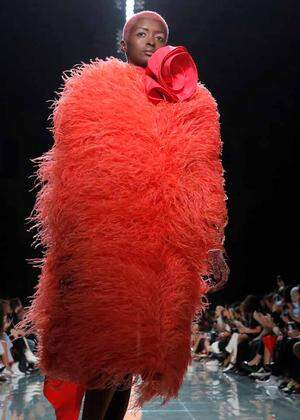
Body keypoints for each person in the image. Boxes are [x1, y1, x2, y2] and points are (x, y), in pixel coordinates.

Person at [21, 10, 229, 420]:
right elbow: (72, 175)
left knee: (130, 361)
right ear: (124, 42)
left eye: (159, 35)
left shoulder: (193, 102)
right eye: (141, 33)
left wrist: (214, 244)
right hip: (106, 244)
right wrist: (70, 245)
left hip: (160, 251)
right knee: (106, 357)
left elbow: (205, 176)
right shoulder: (93, 91)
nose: (150, 40)